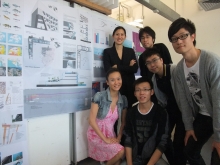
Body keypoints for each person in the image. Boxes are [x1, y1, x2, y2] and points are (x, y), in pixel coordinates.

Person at [168, 17, 220, 165]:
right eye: (174, 39)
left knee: (216, 155)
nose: (179, 41)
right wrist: (189, 127)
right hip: (204, 115)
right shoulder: (178, 70)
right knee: (189, 150)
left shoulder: (212, 62)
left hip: (218, 111)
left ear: (193, 36)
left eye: (183, 36)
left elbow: (218, 102)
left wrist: (218, 138)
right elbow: (183, 101)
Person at [143, 48, 186, 165]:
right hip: (170, 111)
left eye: (154, 60)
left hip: (183, 111)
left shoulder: (174, 70)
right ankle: (174, 162)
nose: (152, 65)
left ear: (161, 60)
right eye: (148, 63)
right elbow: (161, 100)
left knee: (179, 142)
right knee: (163, 139)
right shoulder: (154, 79)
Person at [124, 77, 169, 165]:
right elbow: (128, 139)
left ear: (152, 92)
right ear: (134, 93)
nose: (141, 93)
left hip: (152, 159)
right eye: (138, 90)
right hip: (134, 158)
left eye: (145, 89)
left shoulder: (161, 112)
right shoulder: (131, 112)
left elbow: (163, 142)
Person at [87, 68, 127, 165]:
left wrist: (119, 137)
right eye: (112, 80)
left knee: (117, 161)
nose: (116, 82)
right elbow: (91, 121)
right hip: (96, 135)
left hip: (110, 134)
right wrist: (105, 139)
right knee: (121, 151)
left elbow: (123, 122)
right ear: (107, 82)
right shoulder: (99, 96)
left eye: (119, 79)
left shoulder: (123, 99)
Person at [103, 26, 138, 108]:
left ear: (125, 37)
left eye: (122, 34)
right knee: (113, 113)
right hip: (115, 87)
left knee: (129, 112)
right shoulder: (107, 52)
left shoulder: (130, 51)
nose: (119, 37)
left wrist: (118, 67)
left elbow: (135, 69)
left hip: (129, 87)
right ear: (113, 36)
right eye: (117, 34)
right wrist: (128, 67)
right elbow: (108, 70)